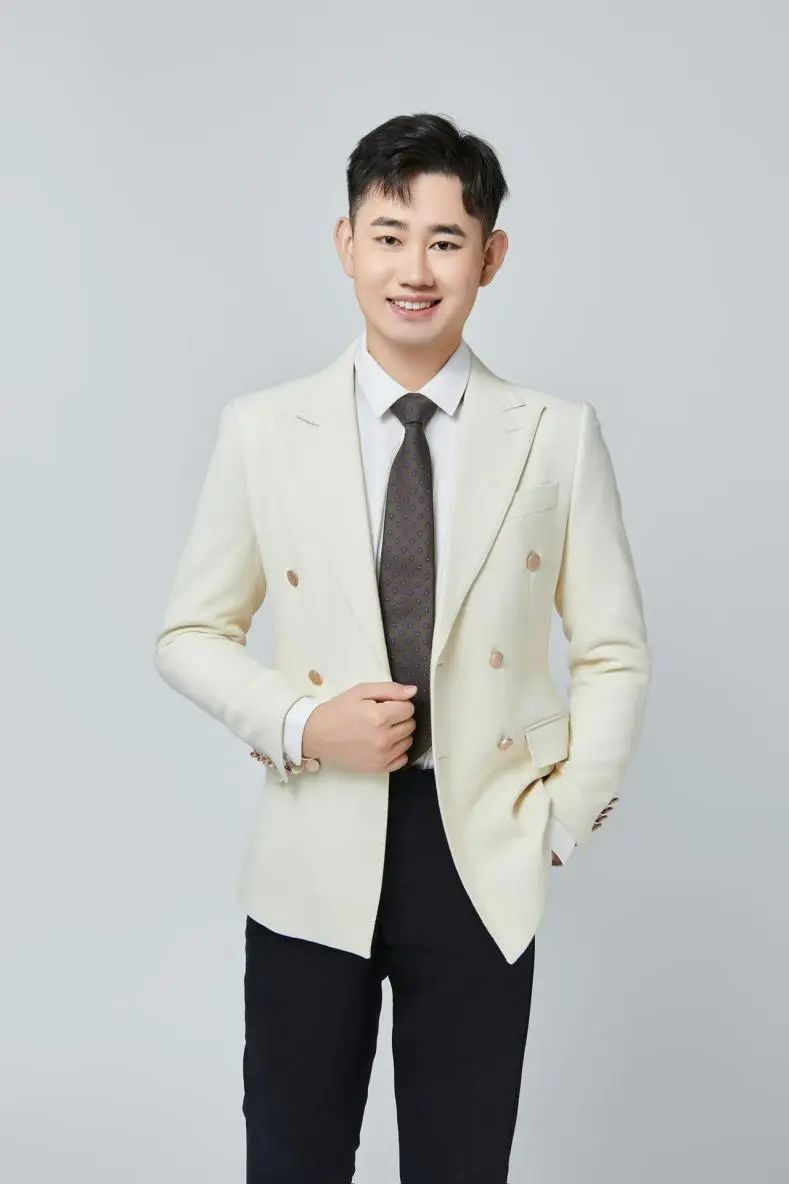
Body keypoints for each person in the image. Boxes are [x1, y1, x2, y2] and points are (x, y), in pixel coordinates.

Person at [153, 111, 651, 1184]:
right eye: (388, 236)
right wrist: (302, 722)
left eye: (444, 240)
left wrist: (560, 818)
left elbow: (613, 649)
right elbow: (190, 632)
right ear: (346, 244)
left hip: (480, 844)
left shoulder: (555, 433)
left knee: (460, 1160)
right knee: (292, 1153)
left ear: (490, 256)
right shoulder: (263, 428)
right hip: (313, 840)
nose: (413, 269)